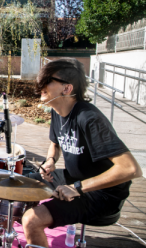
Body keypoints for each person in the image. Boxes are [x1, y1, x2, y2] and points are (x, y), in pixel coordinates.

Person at [21, 58, 143, 248]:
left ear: (66, 89)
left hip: (102, 194)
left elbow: (130, 169)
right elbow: (55, 143)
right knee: (24, 184)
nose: (41, 85)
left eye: (48, 80)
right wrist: (50, 161)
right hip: (75, 178)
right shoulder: (57, 111)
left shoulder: (89, 118)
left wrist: (77, 187)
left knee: (31, 220)